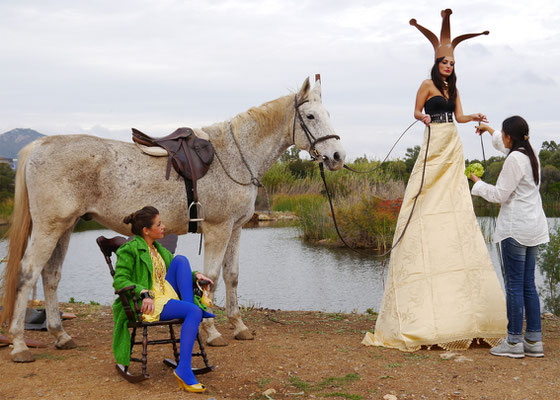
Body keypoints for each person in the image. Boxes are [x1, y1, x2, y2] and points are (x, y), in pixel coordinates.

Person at [363, 9, 507, 351]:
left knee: (453, 199)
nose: (448, 66)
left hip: (452, 141)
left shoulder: (454, 87)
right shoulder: (427, 85)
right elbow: (415, 111)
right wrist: (424, 118)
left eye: (452, 63)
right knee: (425, 195)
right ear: (436, 62)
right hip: (433, 140)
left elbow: (459, 116)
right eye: (444, 62)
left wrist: (476, 116)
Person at [470, 116, 549, 358]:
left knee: (514, 286)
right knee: (527, 285)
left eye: (503, 133)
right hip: (534, 227)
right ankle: (533, 341)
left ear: (509, 137)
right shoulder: (530, 151)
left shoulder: (514, 159)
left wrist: (478, 183)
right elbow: (505, 143)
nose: (501, 137)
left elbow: (499, 195)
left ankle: (514, 342)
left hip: (515, 229)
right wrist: (489, 129)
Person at [112, 206, 214, 393]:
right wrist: (143, 292)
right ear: (146, 230)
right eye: (159, 224)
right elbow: (120, 280)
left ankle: (191, 310)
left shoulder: (158, 249)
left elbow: (175, 272)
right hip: (146, 302)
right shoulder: (130, 249)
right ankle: (184, 368)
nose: (163, 227)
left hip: (164, 294)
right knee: (193, 312)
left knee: (181, 260)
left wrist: (196, 275)